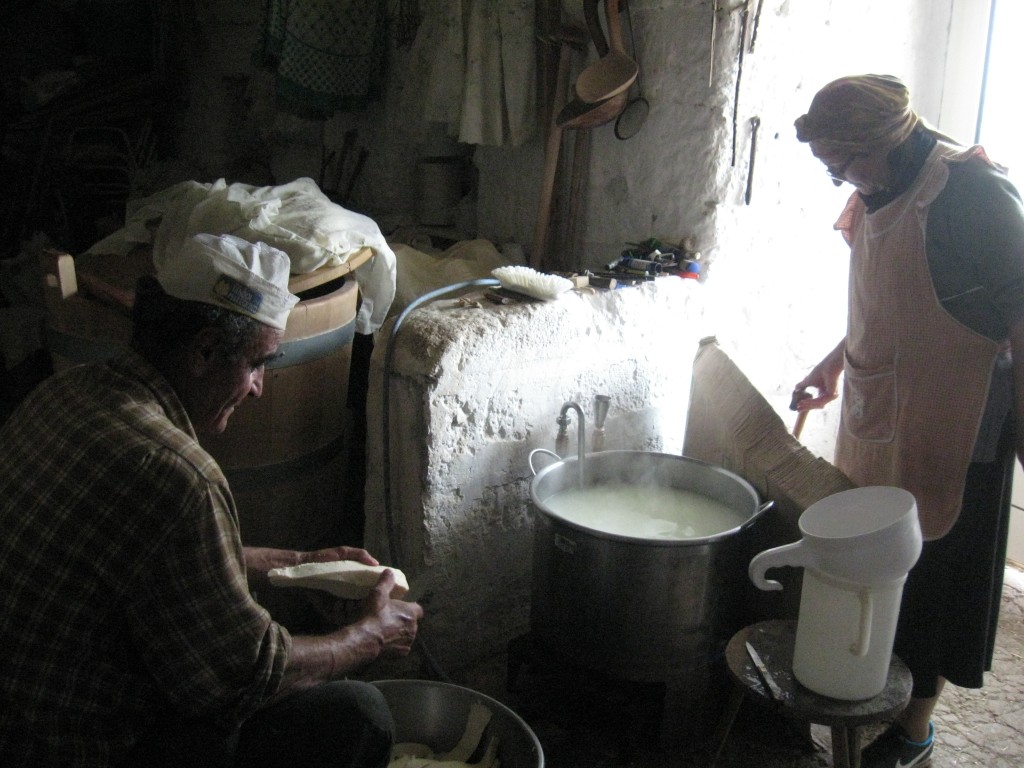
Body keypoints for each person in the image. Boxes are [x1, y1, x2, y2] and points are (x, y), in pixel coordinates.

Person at [0, 233, 424, 767]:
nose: (258, 389)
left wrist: (295, 567)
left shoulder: (64, 392)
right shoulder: (180, 476)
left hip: (22, 717)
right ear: (202, 351)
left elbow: (155, 563)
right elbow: (243, 679)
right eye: (257, 363)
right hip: (83, 747)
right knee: (357, 713)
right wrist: (369, 637)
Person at [791, 74, 1024, 768]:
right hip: (882, 402)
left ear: (885, 141)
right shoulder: (877, 188)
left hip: (957, 419)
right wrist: (835, 363)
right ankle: (867, 685)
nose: (839, 179)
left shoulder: (970, 196)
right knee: (874, 559)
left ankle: (916, 730)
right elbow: (886, 298)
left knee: (938, 576)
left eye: (843, 163)